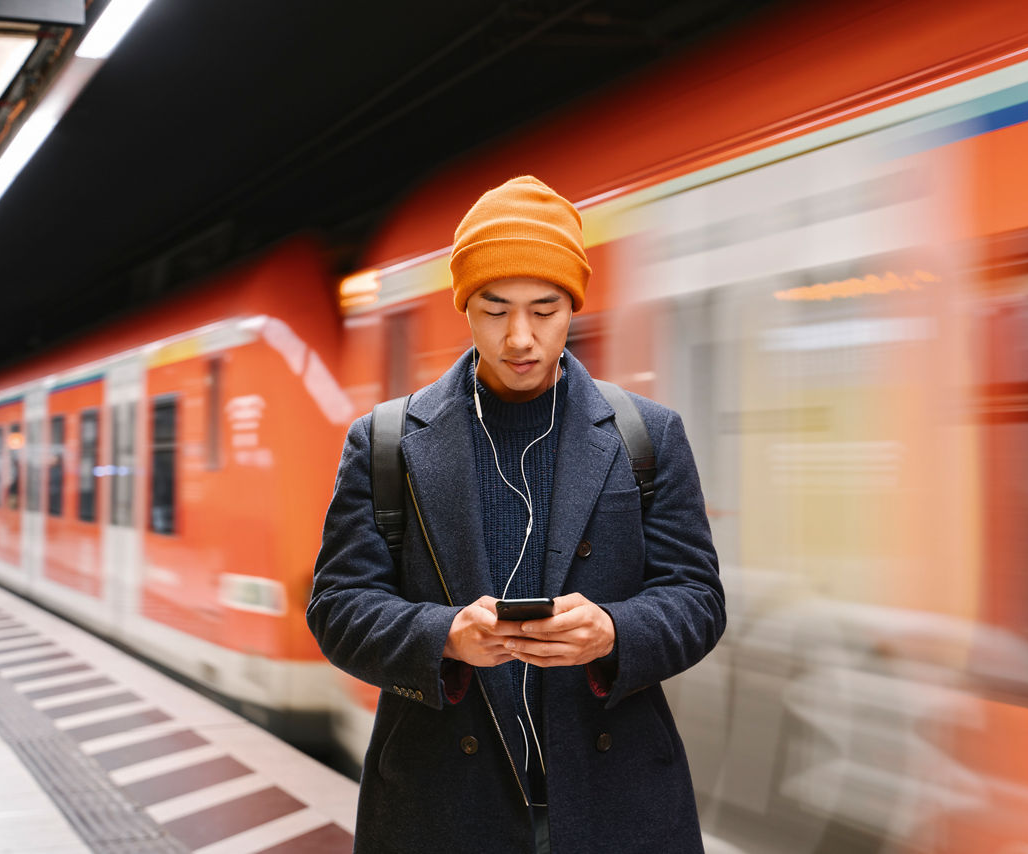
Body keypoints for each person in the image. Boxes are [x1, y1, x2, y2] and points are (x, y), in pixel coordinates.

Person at [307, 176, 725, 853]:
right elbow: (336, 606)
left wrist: (614, 631)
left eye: (546, 308)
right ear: (465, 307)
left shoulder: (646, 435)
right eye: (495, 308)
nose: (521, 337)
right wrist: (444, 635)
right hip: (442, 812)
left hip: (617, 806)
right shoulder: (386, 442)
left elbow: (699, 600)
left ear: (574, 308)